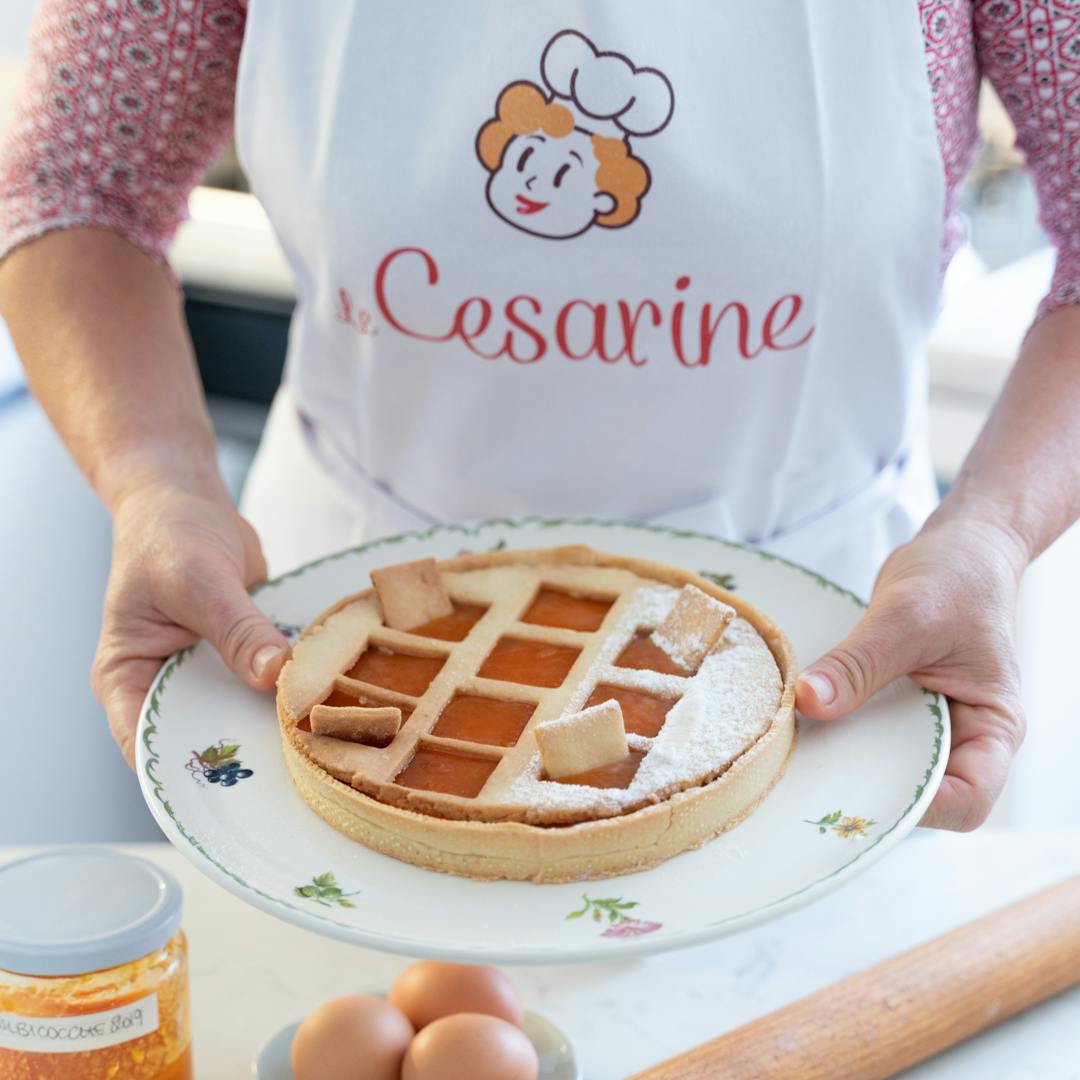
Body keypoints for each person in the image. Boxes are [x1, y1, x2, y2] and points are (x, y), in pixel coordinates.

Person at [1, 0, 1077, 835]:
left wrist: (988, 532)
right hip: (341, 656)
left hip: (831, 670)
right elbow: (74, 184)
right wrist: (156, 484)